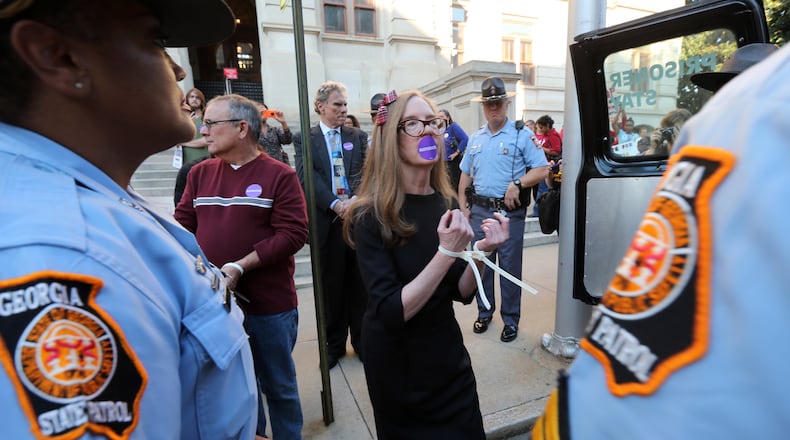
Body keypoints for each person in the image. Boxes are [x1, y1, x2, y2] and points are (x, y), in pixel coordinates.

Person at [0, 0, 259, 438]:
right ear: (58, 57)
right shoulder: (67, 257)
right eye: (154, 40)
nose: (178, 71)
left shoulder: (93, 205)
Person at [532, 45, 790, 439]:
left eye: (729, 87)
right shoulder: (717, 137)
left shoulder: (735, 132)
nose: (721, 99)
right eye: (718, 90)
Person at [343, 89, 510, 439]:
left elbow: (459, 293)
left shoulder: (445, 201)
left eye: (435, 123)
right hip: (398, 365)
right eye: (414, 124)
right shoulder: (370, 213)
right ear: (391, 136)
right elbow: (390, 310)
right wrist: (446, 252)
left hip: (445, 355)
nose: (430, 131)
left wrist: (482, 250)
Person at [175, 94, 307, 439]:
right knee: (241, 391)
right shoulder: (199, 173)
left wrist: (240, 266)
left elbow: (294, 234)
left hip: (269, 308)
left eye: (211, 123)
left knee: (279, 387)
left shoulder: (280, 175)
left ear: (241, 128)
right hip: (216, 305)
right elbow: (182, 225)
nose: (203, 131)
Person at [458, 76, 549, 343]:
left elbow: (542, 169)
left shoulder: (522, 134)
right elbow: (465, 176)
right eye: (488, 104)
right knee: (482, 266)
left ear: (506, 103)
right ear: (483, 107)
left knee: (509, 270)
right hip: (479, 213)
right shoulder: (475, 138)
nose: (493, 108)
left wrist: (517, 183)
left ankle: (510, 320)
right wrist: (463, 207)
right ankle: (484, 313)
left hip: (509, 214)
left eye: (498, 102)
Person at [293, 80, 368, 368]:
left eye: (345, 104)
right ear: (320, 106)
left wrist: (356, 200)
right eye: (337, 104)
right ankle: (333, 345)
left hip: (356, 220)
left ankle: (362, 342)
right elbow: (306, 176)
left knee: (360, 285)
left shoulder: (357, 136)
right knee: (331, 287)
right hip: (327, 222)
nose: (343, 110)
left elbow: (366, 171)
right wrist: (335, 204)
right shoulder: (306, 138)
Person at [531, 115, 563, 217]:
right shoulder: (546, 135)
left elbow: (556, 151)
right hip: (540, 165)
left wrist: (541, 148)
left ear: (548, 126)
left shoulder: (553, 136)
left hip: (548, 166)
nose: (540, 130)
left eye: (541, 127)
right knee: (539, 190)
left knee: (543, 190)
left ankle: (538, 212)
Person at [438, 109, 469, 191]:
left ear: (448, 117)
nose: (440, 119)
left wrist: (456, 152)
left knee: (454, 186)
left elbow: (465, 139)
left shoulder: (453, 127)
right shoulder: (439, 129)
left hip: (453, 162)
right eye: (438, 117)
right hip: (443, 163)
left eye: (442, 117)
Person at [180, 87, 211, 164]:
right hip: (186, 160)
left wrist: (184, 143)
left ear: (201, 100)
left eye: (197, 97)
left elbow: (207, 140)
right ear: (187, 99)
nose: (194, 99)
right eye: (192, 97)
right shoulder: (182, 117)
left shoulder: (206, 117)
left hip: (203, 159)